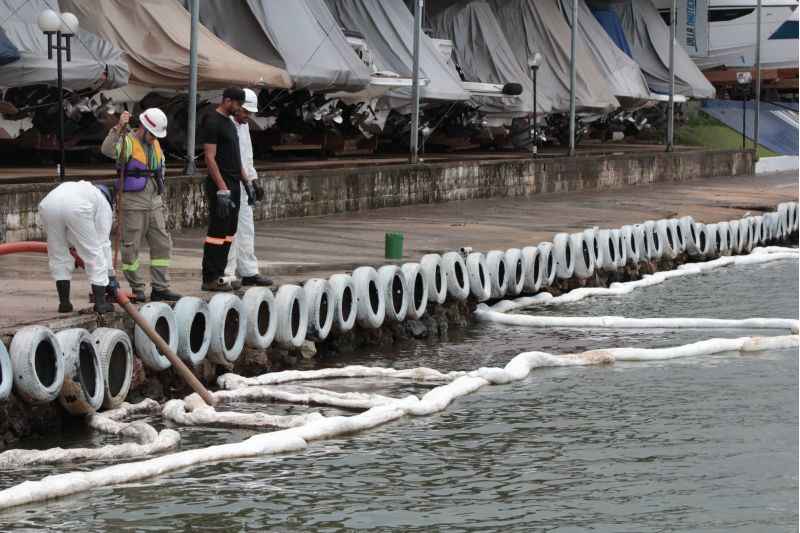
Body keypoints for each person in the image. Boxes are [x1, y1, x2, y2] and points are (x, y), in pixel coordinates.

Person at [101, 107, 181, 303]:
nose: (155, 138)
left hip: (154, 201)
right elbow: (107, 150)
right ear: (143, 128)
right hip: (133, 203)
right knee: (130, 248)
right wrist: (118, 127)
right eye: (152, 134)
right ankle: (138, 288)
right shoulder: (127, 141)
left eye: (157, 135)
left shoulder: (155, 145)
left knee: (162, 244)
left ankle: (160, 288)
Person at [200, 87, 258, 291]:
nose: (240, 108)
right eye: (238, 104)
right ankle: (209, 277)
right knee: (217, 232)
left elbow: (236, 158)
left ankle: (221, 274)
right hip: (220, 186)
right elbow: (210, 157)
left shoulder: (230, 124)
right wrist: (222, 188)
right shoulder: (212, 121)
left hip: (234, 183)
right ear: (227, 101)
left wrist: (247, 182)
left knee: (229, 233)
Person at [38, 181, 117, 314]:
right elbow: (103, 243)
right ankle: (100, 304)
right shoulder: (103, 202)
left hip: (48, 204)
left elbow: (71, 237)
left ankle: (64, 303)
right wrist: (110, 276)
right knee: (94, 253)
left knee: (58, 253)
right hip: (75, 207)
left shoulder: (81, 188)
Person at [224, 88, 272, 288]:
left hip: (244, 184)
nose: (248, 117)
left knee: (246, 228)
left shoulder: (242, 125)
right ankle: (227, 273)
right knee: (229, 231)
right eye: (246, 112)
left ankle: (249, 271)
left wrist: (253, 180)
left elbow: (247, 155)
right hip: (230, 182)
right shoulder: (226, 124)